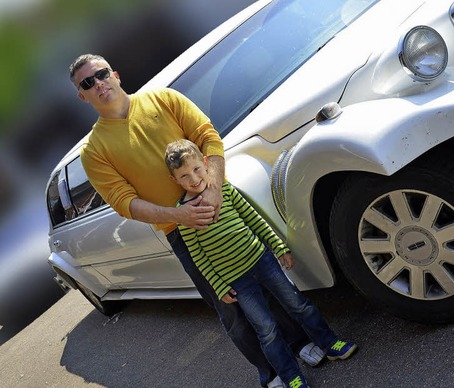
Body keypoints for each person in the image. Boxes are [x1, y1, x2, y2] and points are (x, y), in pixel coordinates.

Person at [70, 53, 323, 388]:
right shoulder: (94, 150)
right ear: (82, 96)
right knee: (230, 304)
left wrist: (215, 189)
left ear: (115, 74)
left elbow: (208, 137)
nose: (98, 83)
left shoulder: (164, 98)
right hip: (184, 233)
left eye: (101, 74)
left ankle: (300, 344)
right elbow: (124, 202)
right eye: (87, 83)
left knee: (268, 281)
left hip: (225, 207)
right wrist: (180, 215)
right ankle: (271, 373)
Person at [164, 139, 358, 388]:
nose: (193, 179)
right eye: (184, 176)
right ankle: (292, 377)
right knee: (267, 330)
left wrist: (278, 247)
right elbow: (198, 256)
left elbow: (254, 219)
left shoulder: (224, 190)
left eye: (196, 169)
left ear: (205, 163)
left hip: (263, 261)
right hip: (238, 282)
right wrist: (219, 286)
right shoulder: (185, 215)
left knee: (299, 304)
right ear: (174, 180)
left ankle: (329, 343)